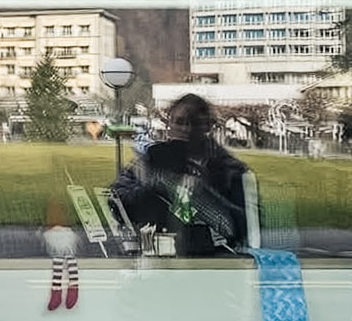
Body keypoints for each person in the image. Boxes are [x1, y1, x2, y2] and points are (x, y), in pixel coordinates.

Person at [108, 93, 252, 255]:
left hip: (212, 258)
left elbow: (243, 227)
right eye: (179, 122)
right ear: (169, 124)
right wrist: (158, 185)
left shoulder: (229, 170)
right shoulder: (150, 161)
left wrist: (203, 191)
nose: (186, 129)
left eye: (194, 123)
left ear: (207, 127)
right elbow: (117, 201)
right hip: (157, 253)